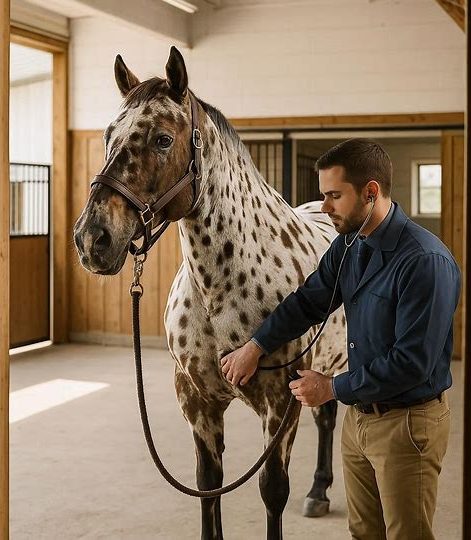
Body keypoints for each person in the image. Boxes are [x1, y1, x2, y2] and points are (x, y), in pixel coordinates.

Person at [220, 138, 461, 540]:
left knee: (408, 534)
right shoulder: (349, 244)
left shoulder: (425, 262)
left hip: (407, 425)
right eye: (323, 195)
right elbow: (307, 303)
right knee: (363, 532)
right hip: (359, 419)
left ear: (370, 192)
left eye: (334, 195)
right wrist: (254, 346)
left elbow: (411, 363)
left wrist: (331, 387)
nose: (325, 206)